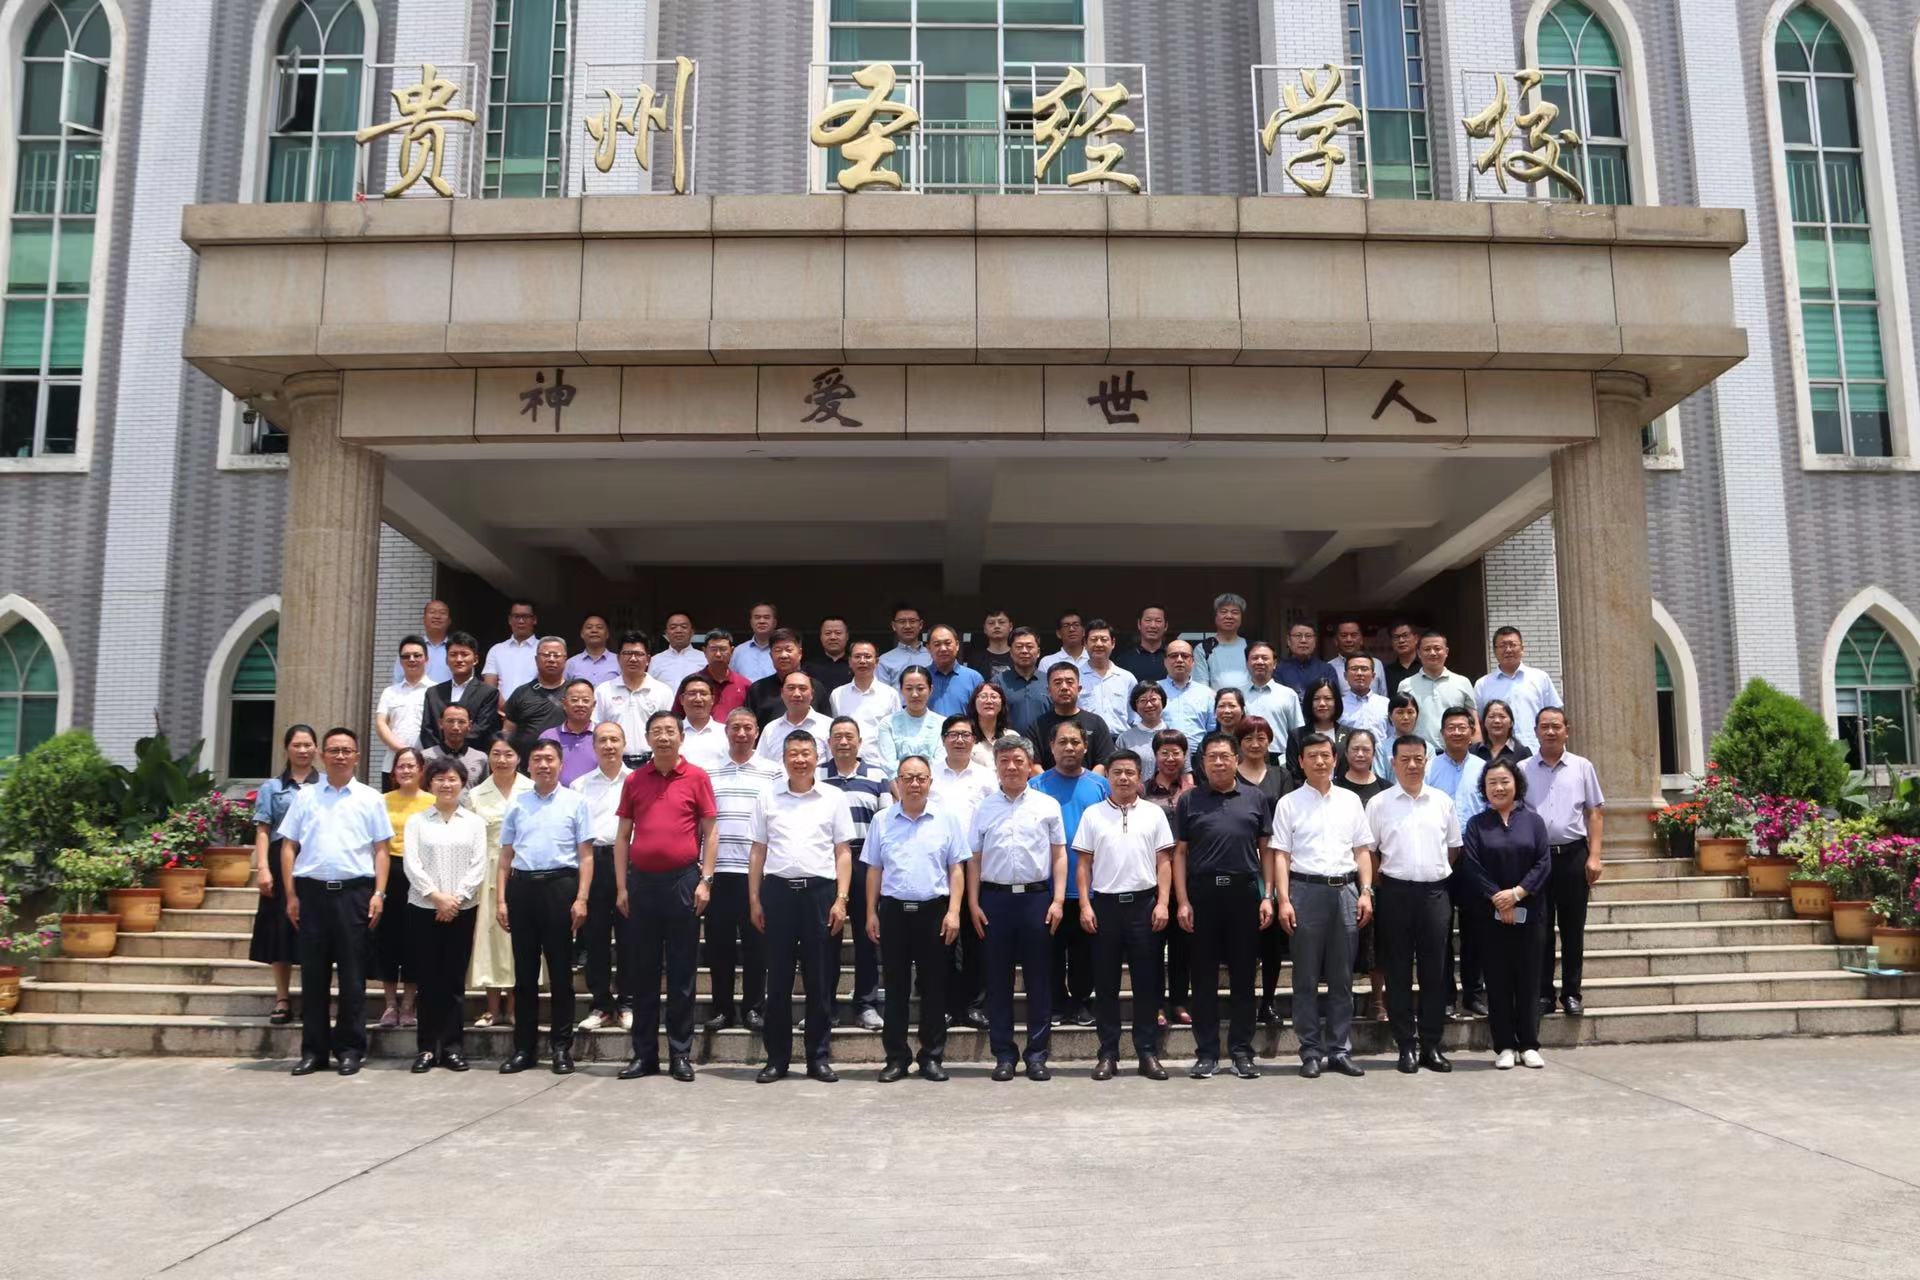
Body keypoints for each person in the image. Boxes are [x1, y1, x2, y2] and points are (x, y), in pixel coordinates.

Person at [280, 727, 394, 1077]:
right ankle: (313, 1051)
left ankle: (349, 1050)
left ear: (358, 756)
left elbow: (381, 849)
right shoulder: (306, 797)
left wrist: (379, 893)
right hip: (311, 894)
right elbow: (288, 846)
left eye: (347, 750)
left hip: (355, 895)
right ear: (322, 755)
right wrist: (291, 895)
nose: (340, 756)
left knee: (353, 976)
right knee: (313, 977)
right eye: (334, 750)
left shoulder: (370, 798)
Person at [614, 713, 718, 1082]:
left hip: (683, 883)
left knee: (681, 973)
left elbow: (710, 830)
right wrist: (622, 886)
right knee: (642, 973)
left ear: (680, 737)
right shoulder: (635, 780)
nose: (663, 737)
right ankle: (644, 1055)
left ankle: (680, 1053)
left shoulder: (697, 777)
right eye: (656, 732)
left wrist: (706, 880)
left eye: (669, 731)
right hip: (641, 885)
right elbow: (623, 834)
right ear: (646, 737)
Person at [748, 732, 854, 1083]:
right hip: (777, 893)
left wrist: (841, 899)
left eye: (806, 753)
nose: (800, 760)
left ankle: (818, 1057)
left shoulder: (833, 797)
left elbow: (842, 851)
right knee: (776, 982)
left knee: (820, 981)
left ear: (816, 757)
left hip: (820, 895)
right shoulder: (768, 796)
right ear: (783, 758)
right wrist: (754, 898)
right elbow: (758, 851)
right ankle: (776, 1059)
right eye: (793, 753)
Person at [1171, 732, 1272, 1080]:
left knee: (1245, 977)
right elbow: (1180, 853)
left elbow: (1266, 851)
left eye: (1224, 756)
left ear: (1235, 759)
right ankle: (1207, 1052)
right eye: (1211, 757)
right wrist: (1182, 900)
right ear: (1202, 763)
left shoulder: (1256, 798)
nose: (1218, 762)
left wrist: (1267, 895)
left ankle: (1242, 1052)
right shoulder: (1189, 800)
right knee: (1203, 979)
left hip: (1244, 895)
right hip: (1203, 896)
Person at [863, 754, 969, 1081]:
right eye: (907, 777)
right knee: (895, 989)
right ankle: (896, 1057)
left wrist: (953, 911)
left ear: (930, 782)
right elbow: (874, 869)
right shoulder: (882, 820)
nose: (914, 784)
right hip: (894, 911)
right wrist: (870, 912)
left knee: (935, 988)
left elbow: (957, 868)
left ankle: (931, 1057)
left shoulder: (946, 818)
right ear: (897, 782)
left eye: (920, 778)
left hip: (935, 912)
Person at [1273, 732, 1373, 1079]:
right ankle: (1310, 1051)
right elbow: (1281, 855)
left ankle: (1340, 1049)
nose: (1319, 761)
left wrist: (1366, 892)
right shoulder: (1289, 803)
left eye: (1325, 755)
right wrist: (1283, 900)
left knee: (1342, 977)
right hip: (1305, 891)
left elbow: (1362, 850)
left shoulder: (1350, 801)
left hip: (1345, 890)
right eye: (1311, 755)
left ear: (1335, 759)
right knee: (1305, 977)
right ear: (1300, 762)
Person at [967, 734, 1066, 1082]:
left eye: (1017, 761)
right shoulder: (984, 808)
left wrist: (1057, 900)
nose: (1011, 767)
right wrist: (973, 902)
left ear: (1029, 765)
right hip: (995, 900)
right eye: (1004, 761)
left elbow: (1058, 855)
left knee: (1040, 980)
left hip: (1036, 900)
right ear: (995, 767)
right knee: (998, 982)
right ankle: (1004, 1055)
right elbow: (974, 859)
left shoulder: (1046, 805)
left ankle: (1037, 1055)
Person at [496, 740, 593, 1075]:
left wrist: (581, 898)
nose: (543, 765)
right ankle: (524, 1048)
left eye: (549, 759)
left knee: (561, 974)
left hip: (560, 888)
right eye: (537, 759)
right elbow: (505, 856)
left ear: (561, 764)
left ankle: (561, 1048)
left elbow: (586, 856)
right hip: (522, 889)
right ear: (529, 765)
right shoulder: (517, 803)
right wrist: (501, 899)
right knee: (524, 975)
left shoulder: (576, 802)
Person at [1074, 750, 1172, 1081]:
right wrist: (1085, 905)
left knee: (1147, 983)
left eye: (1130, 772)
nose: (1124, 778)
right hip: (1105, 907)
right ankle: (1108, 1053)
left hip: (1145, 906)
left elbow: (1164, 862)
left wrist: (1163, 902)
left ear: (1139, 776)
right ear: (1109, 777)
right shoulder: (1092, 814)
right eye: (1117, 772)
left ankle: (1147, 1052)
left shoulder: (1154, 814)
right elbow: (1083, 865)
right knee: (1106, 984)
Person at [1367, 734, 1463, 1074]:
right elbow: (1370, 853)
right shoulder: (1379, 804)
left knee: (1435, 971)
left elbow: (1452, 849)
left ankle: (1432, 1044)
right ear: (1392, 762)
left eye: (1418, 759)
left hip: (1435, 894)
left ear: (1427, 761)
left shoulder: (1442, 802)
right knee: (1397, 971)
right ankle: (1405, 1044)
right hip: (1394, 893)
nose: (1411, 765)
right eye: (1404, 758)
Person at [1463, 759, 1553, 1069]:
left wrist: (1516, 895)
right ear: (1484, 789)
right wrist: (1498, 900)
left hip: (1530, 912)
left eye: (1504, 781)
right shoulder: (1477, 824)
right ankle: (1503, 1045)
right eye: (1492, 783)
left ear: (1516, 784)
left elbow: (1543, 863)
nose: (1499, 788)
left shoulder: (1533, 821)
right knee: (1498, 980)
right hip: (1490, 917)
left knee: (1529, 979)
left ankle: (1528, 1043)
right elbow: (1472, 867)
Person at [402, 759, 488, 1073]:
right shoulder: (417, 821)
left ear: (463, 783)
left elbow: (478, 866)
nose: (446, 784)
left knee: (453, 981)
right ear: (430, 784)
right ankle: (426, 1048)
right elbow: (412, 864)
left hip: (462, 910)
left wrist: (457, 899)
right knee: (427, 980)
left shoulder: (474, 822)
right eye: (439, 779)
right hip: (424, 908)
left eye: (452, 779)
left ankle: (452, 1048)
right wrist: (437, 897)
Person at [1520, 706, 1606, 1017]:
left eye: (1556, 726)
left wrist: (1594, 856)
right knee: (1539, 928)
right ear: (1536, 731)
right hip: (1537, 860)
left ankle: (1572, 993)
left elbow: (1594, 812)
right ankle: (1544, 993)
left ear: (1567, 730)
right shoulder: (1523, 768)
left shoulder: (1582, 767)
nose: (1551, 731)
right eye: (1545, 726)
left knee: (1572, 928)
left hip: (1573, 855)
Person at [702, 708, 780, 1033]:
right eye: (736, 727)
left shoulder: (773, 772)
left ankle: (752, 1008)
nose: (742, 733)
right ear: (726, 731)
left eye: (748, 727)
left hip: (757, 872)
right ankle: (721, 1009)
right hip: (719, 870)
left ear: (757, 731)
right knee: (718, 945)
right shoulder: (708, 772)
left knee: (756, 945)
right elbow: (702, 823)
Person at [1032, 721, 1112, 1028]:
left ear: (1085, 746)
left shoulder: (1099, 786)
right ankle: (1055, 1002)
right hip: (1048, 885)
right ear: (1051, 747)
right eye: (1062, 742)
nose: (1069, 748)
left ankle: (1080, 1001)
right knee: (1050, 949)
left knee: (1084, 951)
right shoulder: (1037, 785)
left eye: (1075, 742)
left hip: (1089, 886)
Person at [819, 717, 890, 1030]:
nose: (843, 742)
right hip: (823, 861)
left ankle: (865, 1004)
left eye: (849, 736)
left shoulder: (876, 775)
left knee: (867, 935)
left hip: (866, 861)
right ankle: (825, 1007)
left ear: (860, 741)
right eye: (837, 736)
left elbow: (887, 822)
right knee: (825, 938)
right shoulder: (817, 774)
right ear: (829, 742)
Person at [249, 724, 315, 1027]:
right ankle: (282, 998)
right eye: (297, 745)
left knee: (315, 932)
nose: (303, 750)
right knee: (280, 931)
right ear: (287, 748)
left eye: (308, 745)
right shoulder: (271, 788)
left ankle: (314, 998)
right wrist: (262, 867)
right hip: (279, 860)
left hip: (314, 860)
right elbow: (263, 830)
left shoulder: (326, 784)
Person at [933, 715, 994, 1031]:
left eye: (966, 735)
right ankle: (945, 1005)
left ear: (974, 740)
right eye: (953, 734)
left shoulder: (986, 777)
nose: (959, 740)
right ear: (943, 739)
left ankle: (974, 1005)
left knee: (975, 938)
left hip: (975, 864)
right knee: (941, 940)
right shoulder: (930, 774)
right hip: (936, 866)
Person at [571, 723, 633, 1033]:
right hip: (592, 863)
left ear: (624, 744)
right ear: (594, 747)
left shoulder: (636, 781)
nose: (609, 745)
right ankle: (600, 1003)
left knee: (629, 937)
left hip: (629, 863)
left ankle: (626, 1003)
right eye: (602, 740)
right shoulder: (580, 785)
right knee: (594, 937)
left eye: (614, 739)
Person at [467, 739, 531, 1031]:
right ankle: (492, 1008)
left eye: (509, 754)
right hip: (487, 873)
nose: (502, 760)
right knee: (490, 940)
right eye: (496, 754)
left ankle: (516, 1007)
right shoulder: (476, 794)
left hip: (525, 871)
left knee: (519, 940)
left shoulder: (531, 790)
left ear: (519, 758)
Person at [1429, 706, 1489, 1017]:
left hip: (1473, 857)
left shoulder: (1484, 768)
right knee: (1440, 929)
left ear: (1471, 731)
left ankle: (1473, 993)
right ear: (1442, 733)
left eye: (1462, 727)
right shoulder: (1429, 768)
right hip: (1437, 856)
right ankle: (1446, 995)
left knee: (1474, 928)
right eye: (1450, 727)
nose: (1456, 732)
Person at [1235, 717, 1292, 1028]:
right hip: (1240, 864)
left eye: (1262, 737)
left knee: (1270, 943)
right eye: (1248, 738)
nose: (1255, 743)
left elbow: (1286, 817)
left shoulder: (1281, 775)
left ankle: (1267, 1002)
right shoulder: (1230, 774)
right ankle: (1242, 999)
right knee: (1242, 941)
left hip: (1274, 861)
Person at [1336, 729, 1391, 1023]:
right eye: (1354, 749)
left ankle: (1378, 999)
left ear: (1373, 753)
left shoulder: (1385, 789)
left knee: (1377, 942)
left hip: (1379, 876)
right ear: (1345, 754)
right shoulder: (1334, 788)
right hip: (1341, 873)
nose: (1360, 754)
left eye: (1365, 749)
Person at [377, 748, 431, 1029]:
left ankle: (409, 1004)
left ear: (422, 770)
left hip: (420, 875)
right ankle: (389, 1005)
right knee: (388, 940)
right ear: (393, 771)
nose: (406, 771)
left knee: (415, 940)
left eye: (411, 766)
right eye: (401, 766)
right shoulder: (381, 801)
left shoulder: (433, 802)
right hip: (390, 872)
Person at [1143, 728, 1194, 1029]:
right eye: (1165, 752)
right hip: (1153, 878)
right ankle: (1155, 1004)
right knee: (1151, 947)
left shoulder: (1192, 791)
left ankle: (1178, 1000)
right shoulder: (1142, 790)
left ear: (1184, 756)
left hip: (1187, 879)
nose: (1171, 758)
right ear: (1155, 755)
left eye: (1176, 752)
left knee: (1182, 946)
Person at [1474, 626, 1563, 753]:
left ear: (1522, 648)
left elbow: (1555, 716)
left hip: (1537, 752)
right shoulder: (1483, 684)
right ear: (1494, 651)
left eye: (1512, 645)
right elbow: (1479, 722)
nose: (1508, 650)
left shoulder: (1540, 678)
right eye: (1503, 645)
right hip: (1499, 756)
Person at [593, 630, 674, 754]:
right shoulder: (603, 691)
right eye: (627, 653)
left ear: (648, 659)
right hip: (614, 761)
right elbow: (596, 729)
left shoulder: (662, 691)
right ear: (618, 658)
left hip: (653, 762)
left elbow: (670, 730)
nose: (633, 658)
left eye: (638, 654)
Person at [1029, 663, 1116, 773]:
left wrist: (1089, 785)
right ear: (1048, 691)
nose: (1064, 687)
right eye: (1057, 683)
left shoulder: (1096, 722)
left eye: (1070, 682)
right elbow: (1033, 764)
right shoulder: (1037, 725)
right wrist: (1050, 786)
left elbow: (1104, 761)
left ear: (1079, 689)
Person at [422, 631, 500, 752]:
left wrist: (456, 752)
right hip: (437, 762)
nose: (459, 659)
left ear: (475, 659)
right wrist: (441, 755)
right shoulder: (433, 693)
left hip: (471, 759)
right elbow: (427, 731)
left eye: (464, 654)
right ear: (446, 660)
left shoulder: (488, 693)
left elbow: (480, 730)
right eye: (453, 654)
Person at [830, 639, 901, 771]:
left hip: (880, 767)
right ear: (850, 662)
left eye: (868, 657)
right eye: (857, 657)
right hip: (845, 766)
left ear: (877, 662)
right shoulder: (837, 694)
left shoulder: (890, 694)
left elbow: (896, 734)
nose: (863, 661)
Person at [500, 638, 569, 770]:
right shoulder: (521, 692)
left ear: (565, 659)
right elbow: (507, 732)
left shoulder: (574, 692)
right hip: (526, 768)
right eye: (546, 655)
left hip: (565, 766)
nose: (551, 659)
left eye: (557, 655)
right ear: (536, 659)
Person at [1403, 630, 1477, 749]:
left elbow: (1473, 721)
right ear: (1419, 653)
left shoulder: (1462, 682)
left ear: (1446, 652)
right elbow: (1401, 724)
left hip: (1456, 753)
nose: (1433, 653)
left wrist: (1477, 750)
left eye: (1437, 648)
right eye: (1427, 649)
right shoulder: (1406, 685)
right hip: (1419, 754)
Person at [375, 636, 433, 788]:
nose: (411, 659)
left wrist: (417, 758)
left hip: (426, 766)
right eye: (406, 656)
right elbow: (381, 724)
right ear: (400, 661)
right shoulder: (390, 692)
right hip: (393, 766)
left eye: (417, 655)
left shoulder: (437, 691)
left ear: (426, 659)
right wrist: (404, 752)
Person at [748, 629, 829, 727]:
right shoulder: (758, 689)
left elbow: (827, 726)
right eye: (778, 650)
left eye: (789, 650)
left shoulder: (815, 686)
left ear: (800, 653)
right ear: (770, 655)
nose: (783, 655)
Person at [757, 671, 833, 762]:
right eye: (791, 688)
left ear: (812, 694)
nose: (797, 694)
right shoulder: (770, 729)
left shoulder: (829, 726)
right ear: (782, 693)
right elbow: (761, 765)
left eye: (802, 688)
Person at [878, 667, 942, 775]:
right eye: (909, 688)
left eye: (920, 688)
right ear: (901, 690)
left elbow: (940, 762)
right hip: (898, 785)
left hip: (934, 784)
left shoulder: (942, 723)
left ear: (930, 690)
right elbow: (888, 765)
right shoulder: (888, 723)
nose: (915, 694)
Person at [1242, 641, 1305, 751]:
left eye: (1265, 658)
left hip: (1280, 759)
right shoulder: (1238, 695)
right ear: (1247, 663)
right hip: (1246, 757)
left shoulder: (1288, 695)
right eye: (1255, 658)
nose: (1260, 662)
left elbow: (1298, 732)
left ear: (1275, 663)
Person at [1158, 640, 1215, 759]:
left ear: (1193, 661)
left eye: (1185, 656)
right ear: (1165, 662)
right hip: (1162, 758)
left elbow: (1212, 731)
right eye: (1173, 656)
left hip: (1198, 758)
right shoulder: (1154, 691)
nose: (1179, 660)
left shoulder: (1207, 693)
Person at [537, 679, 599, 785]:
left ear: (593, 705)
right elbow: (539, 773)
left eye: (585, 700)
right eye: (574, 700)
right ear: (564, 704)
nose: (580, 704)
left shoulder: (603, 736)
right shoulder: (548, 737)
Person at [1079, 621, 1135, 736]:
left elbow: (1134, 717)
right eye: (1093, 639)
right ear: (1085, 643)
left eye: (1104, 639)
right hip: (1086, 741)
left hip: (1119, 742)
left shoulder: (1127, 678)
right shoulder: (1075, 677)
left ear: (1113, 643)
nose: (1099, 644)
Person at [1285, 678, 1346, 780]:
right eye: (1316, 699)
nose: (1322, 703)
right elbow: (1294, 773)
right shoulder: (1297, 735)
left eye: (1327, 698)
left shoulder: (1350, 735)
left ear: (1336, 701)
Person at [992, 628, 1050, 736]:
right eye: (1019, 647)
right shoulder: (998, 682)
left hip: (1044, 747)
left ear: (1038, 652)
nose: (1024, 651)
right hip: (1009, 747)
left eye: (1029, 646)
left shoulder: (1050, 681)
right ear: (1011, 652)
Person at [482, 600, 541, 698]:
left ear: (534, 620)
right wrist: (506, 708)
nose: (521, 621)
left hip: (536, 711)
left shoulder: (544, 649)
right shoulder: (496, 650)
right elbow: (489, 688)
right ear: (509, 620)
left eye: (525, 616)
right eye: (516, 616)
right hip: (500, 712)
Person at [1193, 592, 1251, 692]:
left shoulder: (1251, 647)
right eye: (1223, 611)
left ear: (1241, 618)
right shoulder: (1203, 648)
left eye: (1235, 612)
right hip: (1216, 705)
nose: (1229, 616)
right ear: (1215, 617)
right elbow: (1201, 687)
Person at [687, 630, 749, 721]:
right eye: (713, 649)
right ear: (704, 651)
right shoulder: (690, 683)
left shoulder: (745, 685)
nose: (718, 654)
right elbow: (677, 717)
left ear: (732, 651)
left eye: (723, 649)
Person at [926, 623, 984, 716]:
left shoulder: (974, 678)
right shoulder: (922, 677)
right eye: (937, 644)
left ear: (957, 645)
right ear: (928, 648)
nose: (943, 649)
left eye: (948, 643)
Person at [423, 704, 487, 787]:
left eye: (461, 722)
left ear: (470, 725)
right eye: (450, 721)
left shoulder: (480, 758)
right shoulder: (426, 757)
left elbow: (484, 792)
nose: (455, 727)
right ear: (441, 723)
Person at [676, 673, 729, 772]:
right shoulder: (671, 733)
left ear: (712, 699)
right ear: (682, 699)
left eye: (703, 694)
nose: (698, 699)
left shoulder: (726, 733)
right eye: (692, 693)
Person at [1338, 652, 1392, 749]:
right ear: (1345, 676)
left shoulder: (1386, 704)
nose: (1359, 673)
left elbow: (1392, 736)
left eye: (1364, 669)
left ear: (1373, 675)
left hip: (1380, 761)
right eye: (1354, 669)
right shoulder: (1338, 705)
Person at [1276, 622, 1340, 702]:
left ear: (1315, 641)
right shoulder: (1278, 670)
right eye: (1298, 636)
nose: (1303, 640)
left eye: (1308, 636)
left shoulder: (1327, 670)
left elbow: (1333, 701)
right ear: (1288, 641)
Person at [392, 600, 453, 684]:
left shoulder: (455, 650)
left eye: (442, 613)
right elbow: (398, 679)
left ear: (449, 621)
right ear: (424, 620)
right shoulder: (411, 649)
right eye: (432, 612)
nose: (437, 616)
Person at [877, 601, 931, 688]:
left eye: (912, 621)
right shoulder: (884, 661)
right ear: (894, 626)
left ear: (920, 625)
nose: (907, 626)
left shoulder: (933, 657)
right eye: (902, 622)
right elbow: (883, 696)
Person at [651, 611, 707, 694]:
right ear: (666, 633)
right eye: (673, 627)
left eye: (684, 627)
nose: (678, 631)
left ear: (692, 632)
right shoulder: (655, 660)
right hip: (664, 707)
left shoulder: (705, 659)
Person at [1332, 617, 1386, 700]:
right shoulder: (1329, 667)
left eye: (1354, 635)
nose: (1349, 639)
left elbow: (1383, 695)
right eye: (1344, 635)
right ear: (1336, 640)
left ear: (1361, 640)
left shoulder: (1376, 663)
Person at [1473, 699, 1533, 768]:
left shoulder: (1523, 753)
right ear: (1484, 723)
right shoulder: (1473, 752)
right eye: (1491, 716)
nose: (1497, 721)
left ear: (1511, 723)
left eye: (1502, 717)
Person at [1117, 604, 1170, 682]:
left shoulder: (1173, 657)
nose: (1153, 625)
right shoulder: (1124, 659)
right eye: (1148, 620)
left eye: (1158, 621)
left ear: (1166, 626)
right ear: (1139, 624)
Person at [729, 601, 779, 683]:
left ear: (774, 623)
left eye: (766, 617)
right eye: (757, 617)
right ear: (751, 622)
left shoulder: (782, 651)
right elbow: (732, 680)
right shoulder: (739, 651)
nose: (761, 621)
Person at [1377, 692, 1422, 781]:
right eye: (1400, 712)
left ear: (1417, 715)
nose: (1405, 717)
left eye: (1410, 712)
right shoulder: (1381, 748)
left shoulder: (1427, 748)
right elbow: (1380, 781)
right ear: (1390, 716)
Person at [1039, 609, 1095, 681]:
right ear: (1058, 633)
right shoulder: (1047, 662)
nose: (1071, 629)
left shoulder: (1094, 659)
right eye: (1066, 626)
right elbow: (1043, 691)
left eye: (1076, 625)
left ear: (1084, 631)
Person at [1117, 681, 1169, 757]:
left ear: (1162, 701)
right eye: (1143, 700)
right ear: (1135, 705)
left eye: (1153, 699)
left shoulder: (1175, 735)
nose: (1149, 705)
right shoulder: (1125, 739)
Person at [966, 681, 1011, 768]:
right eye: (983, 697)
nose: (989, 701)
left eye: (994, 697)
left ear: (1002, 703)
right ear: (974, 702)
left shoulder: (1011, 736)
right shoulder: (965, 737)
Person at [565, 613, 619, 686]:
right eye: (589, 627)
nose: (594, 630)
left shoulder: (619, 661)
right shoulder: (571, 663)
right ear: (582, 634)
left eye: (599, 627)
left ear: (607, 634)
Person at [963, 607, 1015, 682]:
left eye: (1001, 622)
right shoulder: (975, 658)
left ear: (1010, 627)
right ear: (984, 629)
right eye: (991, 623)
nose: (997, 626)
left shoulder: (1019, 655)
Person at [805, 616, 852, 694]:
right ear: (820, 637)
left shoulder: (855, 665)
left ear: (847, 636)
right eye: (828, 633)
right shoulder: (809, 667)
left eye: (838, 633)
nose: (833, 637)